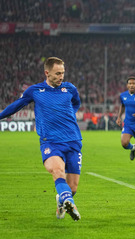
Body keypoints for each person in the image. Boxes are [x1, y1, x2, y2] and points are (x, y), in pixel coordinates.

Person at [0, 57, 82, 221]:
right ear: (47, 73)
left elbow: (76, 103)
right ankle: (69, 203)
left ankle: (62, 200)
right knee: (57, 171)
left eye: (63, 73)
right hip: (50, 141)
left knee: (72, 187)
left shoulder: (70, 88)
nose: (61, 77)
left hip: (73, 141)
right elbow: (16, 105)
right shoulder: (35, 91)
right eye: (58, 73)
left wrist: (68, 116)